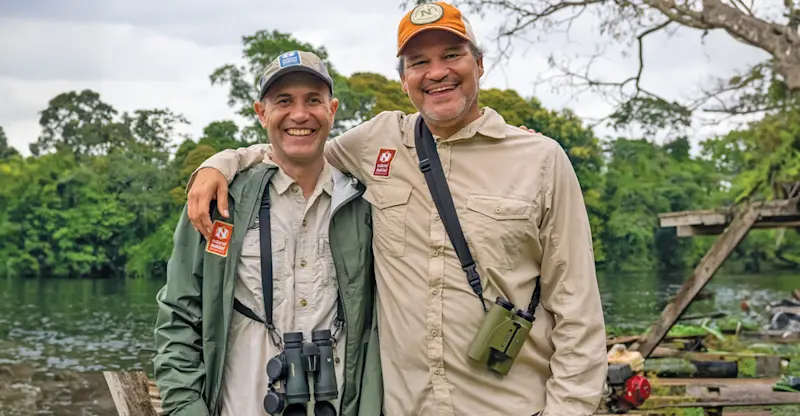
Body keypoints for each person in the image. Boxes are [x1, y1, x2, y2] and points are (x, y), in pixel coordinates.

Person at [186, 2, 608, 415]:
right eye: (418, 61)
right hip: (406, 406)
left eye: (452, 55)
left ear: (479, 64)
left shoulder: (541, 159)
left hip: (511, 405)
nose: (437, 72)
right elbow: (299, 148)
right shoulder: (379, 142)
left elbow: (577, 308)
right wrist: (219, 163)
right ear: (404, 79)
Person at [152, 50, 382, 416]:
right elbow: (179, 314)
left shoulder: (364, 201)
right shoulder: (221, 202)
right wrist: (186, 408)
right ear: (262, 113)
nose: (300, 114)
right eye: (284, 101)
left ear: (332, 110)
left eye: (313, 100)